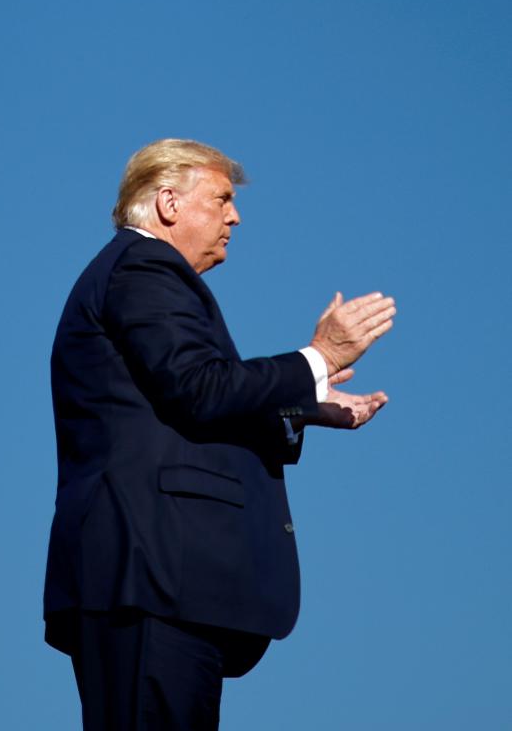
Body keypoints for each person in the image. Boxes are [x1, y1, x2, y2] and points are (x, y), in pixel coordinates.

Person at [43, 138, 395, 730]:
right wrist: (319, 357)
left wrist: (305, 404)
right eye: (222, 199)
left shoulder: (142, 273)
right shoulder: (144, 266)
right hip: (150, 575)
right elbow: (200, 388)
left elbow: (185, 399)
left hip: (159, 583)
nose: (234, 216)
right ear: (168, 202)